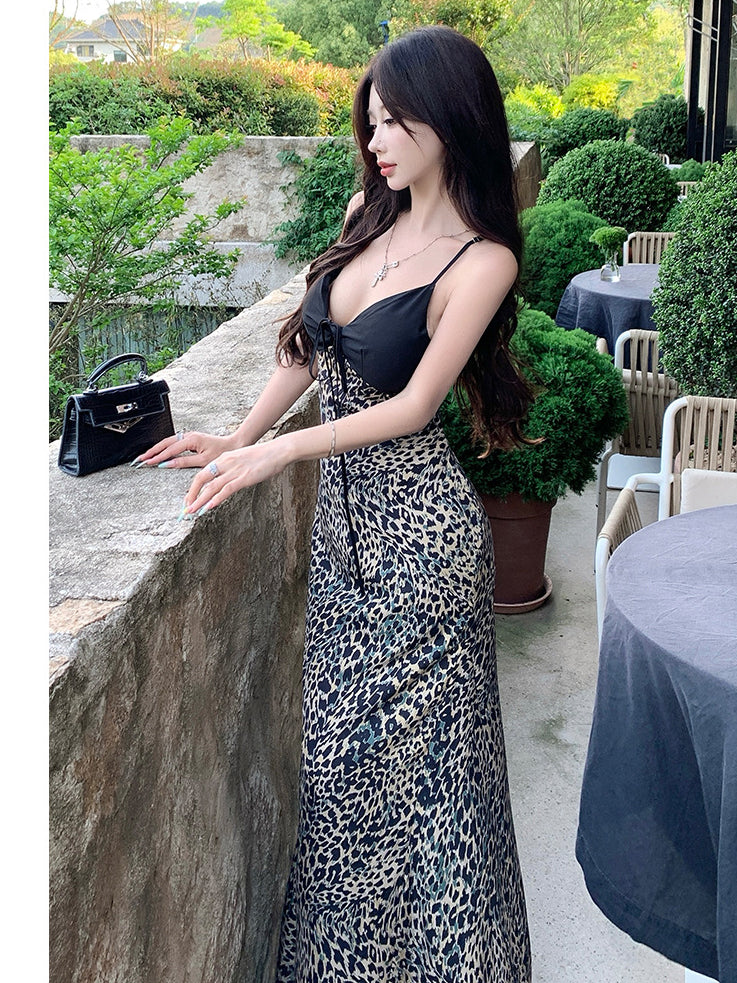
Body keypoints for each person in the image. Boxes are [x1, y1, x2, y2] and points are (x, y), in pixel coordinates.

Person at [136, 25, 533, 981]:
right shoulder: (367, 212)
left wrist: (278, 453)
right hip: (346, 551)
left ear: (450, 119)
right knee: (341, 777)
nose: (376, 139)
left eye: (395, 121)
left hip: (424, 546)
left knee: (431, 787)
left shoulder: (482, 260)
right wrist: (239, 435)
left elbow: (414, 405)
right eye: (373, 121)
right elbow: (311, 348)